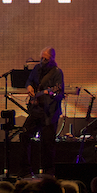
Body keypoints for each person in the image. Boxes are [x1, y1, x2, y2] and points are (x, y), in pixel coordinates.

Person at [18, 47, 64, 176]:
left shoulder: (57, 72)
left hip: (50, 113)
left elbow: (59, 93)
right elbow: (29, 80)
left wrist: (51, 94)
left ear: (52, 59)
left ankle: (48, 172)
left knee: (47, 143)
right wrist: (29, 86)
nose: (43, 61)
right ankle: (25, 170)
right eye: (41, 58)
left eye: (46, 59)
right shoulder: (37, 68)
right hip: (36, 110)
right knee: (24, 135)